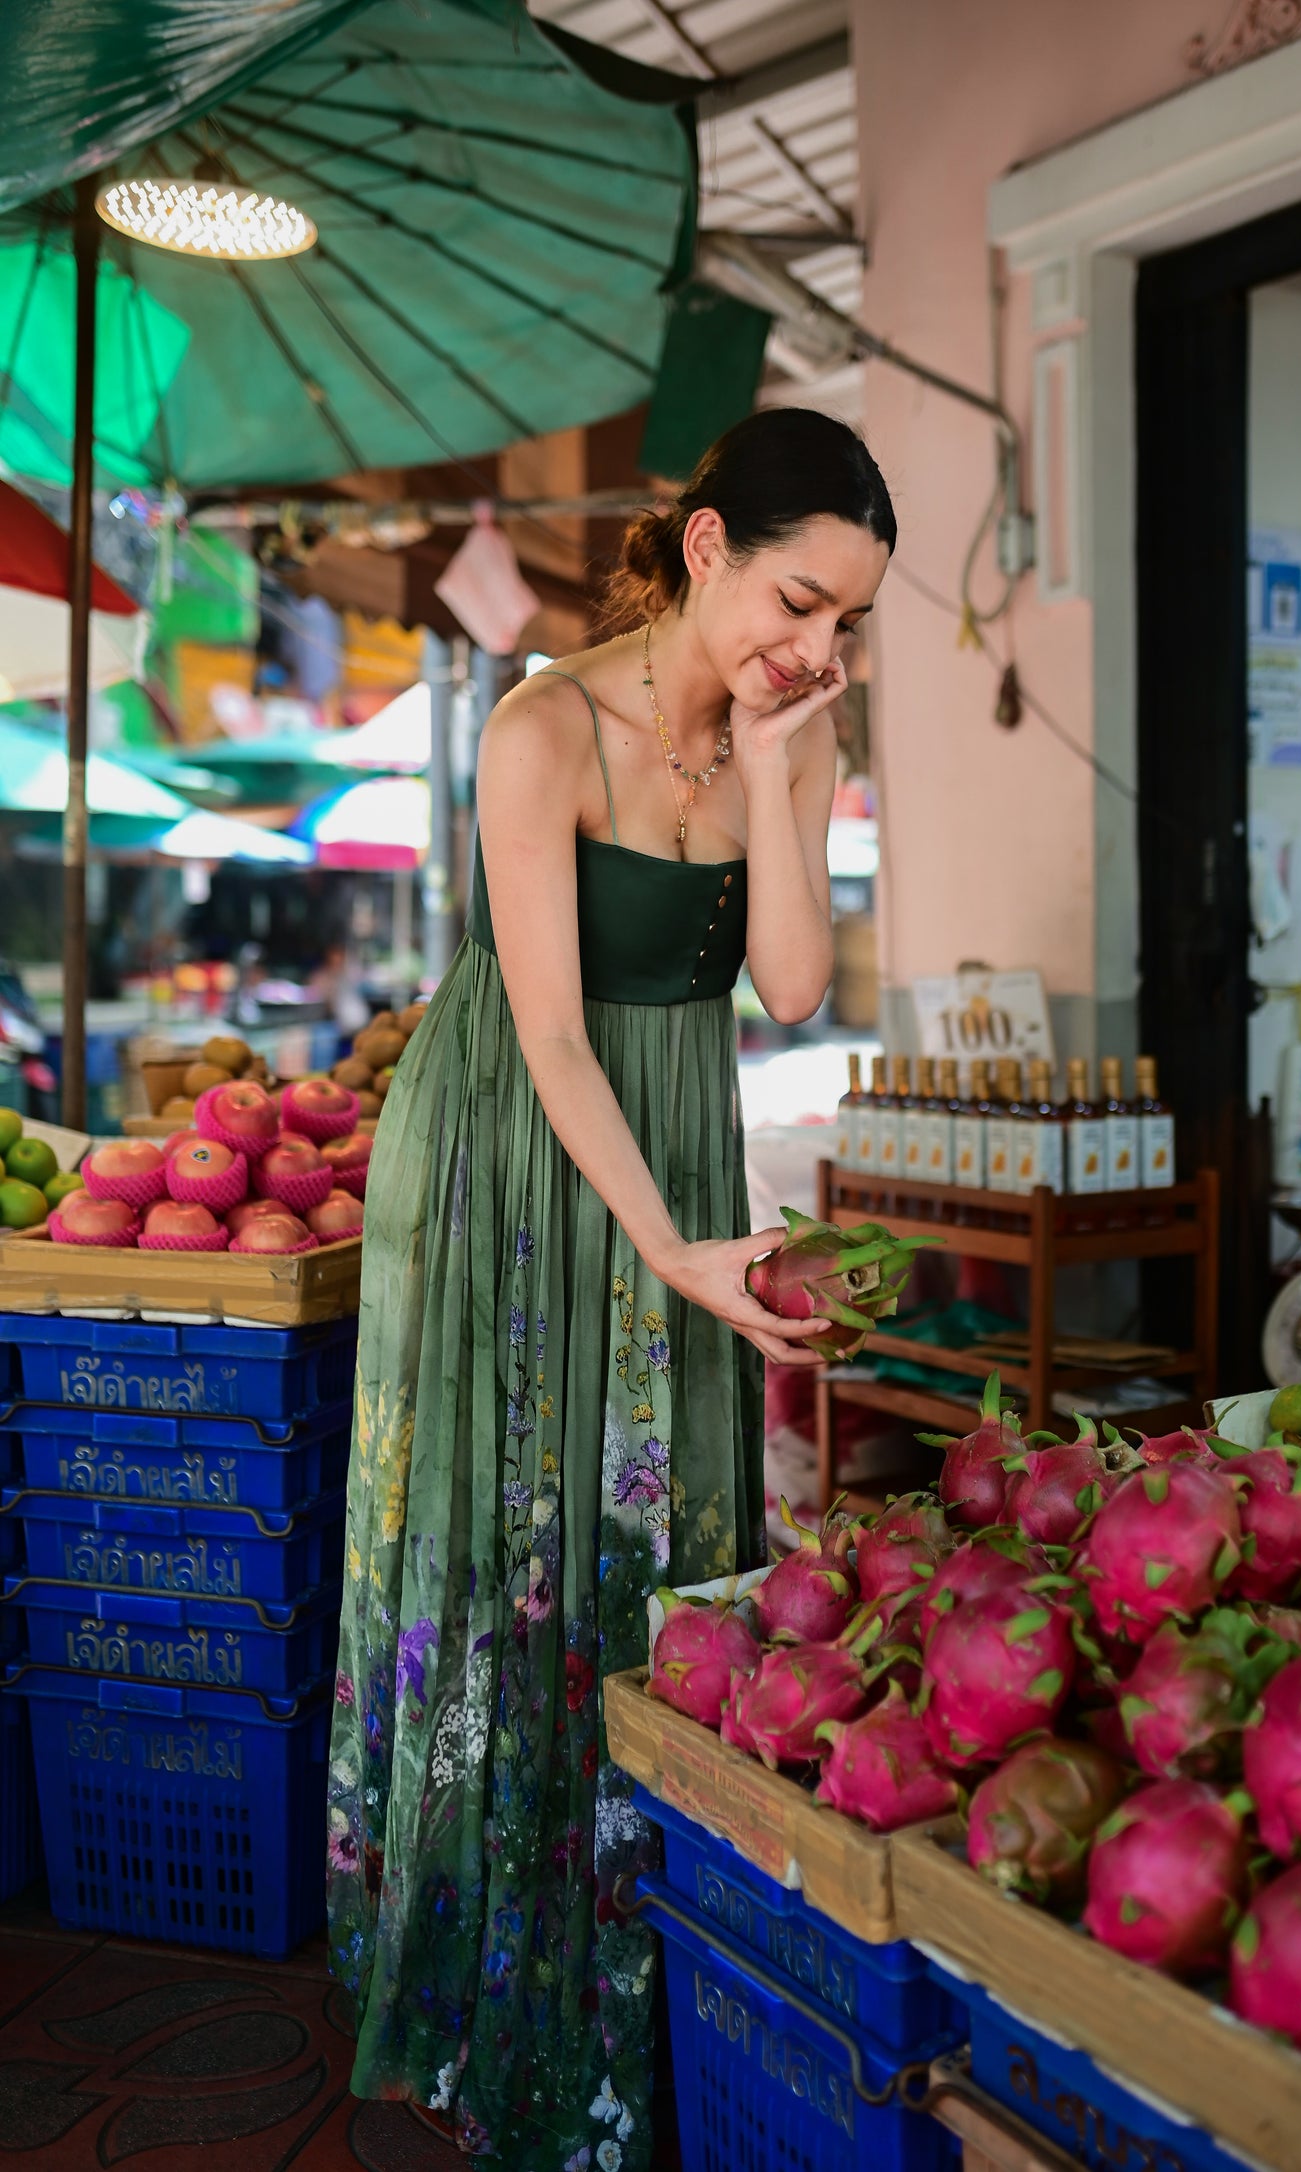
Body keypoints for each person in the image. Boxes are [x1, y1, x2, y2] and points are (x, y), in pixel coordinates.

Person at [326, 408, 895, 2165]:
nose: (818, 647)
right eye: (802, 600)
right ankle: (484, 1975)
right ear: (710, 547)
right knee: (509, 1532)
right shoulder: (538, 727)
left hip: (681, 1152)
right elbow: (553, 1031)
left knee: (661, 1541)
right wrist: (662, 1248)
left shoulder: (779, 725)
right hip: (517, 1146)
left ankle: (639, 1957)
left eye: (849, 623)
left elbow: (793, 988)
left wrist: (799, 768)